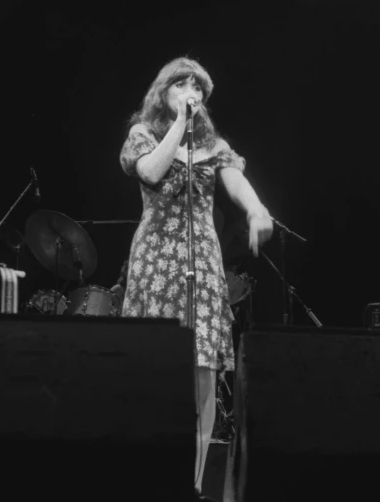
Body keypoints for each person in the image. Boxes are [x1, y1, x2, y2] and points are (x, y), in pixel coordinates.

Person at [118, 57, 273, 494]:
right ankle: (147, 475)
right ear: (162, 93)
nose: (192, 93)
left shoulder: (214, 144)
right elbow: (149, 170)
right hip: (156, 258)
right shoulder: (144, 135)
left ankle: (196, 483)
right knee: (155, 360)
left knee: (204, 366)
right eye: (181, 85)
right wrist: (179, 127)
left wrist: (258, 209)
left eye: (198, 88)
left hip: (201, 261)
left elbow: (235, 180)